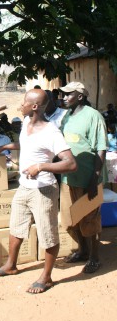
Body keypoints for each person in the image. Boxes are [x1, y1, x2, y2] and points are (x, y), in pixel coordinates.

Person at [0, 89, 77, 294]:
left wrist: (41, 166)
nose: (21, 105)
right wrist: (4, 147)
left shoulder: (51, 131)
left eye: (25, 102)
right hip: (24, 187)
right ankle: (10, 265)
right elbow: (26, 145)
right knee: (16, 227)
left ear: (35, 106)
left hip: (43, 190)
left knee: (48, 235)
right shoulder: (26, 124)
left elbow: (70, 163)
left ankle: (46, 277)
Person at [59, 81, 107, 274]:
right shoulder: (67, 117)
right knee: (70, 219)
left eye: (67, 94)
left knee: (90, 219)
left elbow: (101, 149)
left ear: (80, 96)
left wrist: (94, 179)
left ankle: (94, 258)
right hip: (68, 179)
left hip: (88, 179)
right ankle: (83, 250)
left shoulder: (93, 116)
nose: (64, 97)